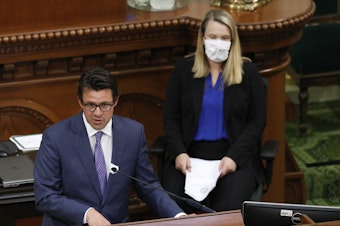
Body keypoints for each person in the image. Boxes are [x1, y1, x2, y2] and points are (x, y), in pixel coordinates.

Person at [34, 67, 185, 226]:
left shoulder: (133, 133)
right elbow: (45, 196)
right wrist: (87, 214)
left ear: (116, 101)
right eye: (91, 105)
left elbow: (148, 185)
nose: (98, 113)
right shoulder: (56, 137)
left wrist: (178, 215)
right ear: (80, 101)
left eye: (105, 105)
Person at [162, 9, 267, 213]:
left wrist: (234, 157)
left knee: (227, 209)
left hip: (233, 155)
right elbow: (171, 117)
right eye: (213, 37)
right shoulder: (184, 69)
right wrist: (179, 153)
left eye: (224, 38)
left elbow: (257, 121)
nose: (218, 42)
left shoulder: (249, 73)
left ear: (232, 41)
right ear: (202, 38)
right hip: (190, 153)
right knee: (173, 203)